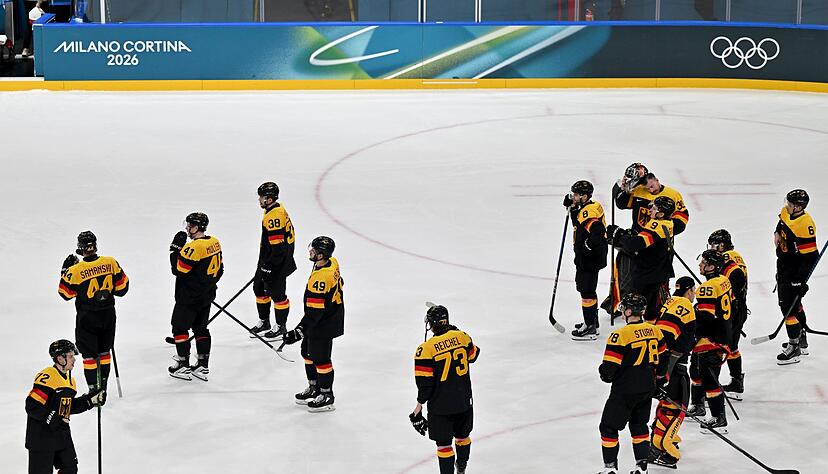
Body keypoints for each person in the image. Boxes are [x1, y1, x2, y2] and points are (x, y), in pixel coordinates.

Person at [598, 293, 665, 474]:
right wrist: (659, 381)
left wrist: (603, 373)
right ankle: (641, 467)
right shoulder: (656, 331)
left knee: (608, 427)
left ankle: (610, 469)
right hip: (647, 388)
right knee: (639, 426)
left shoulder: (620, 335)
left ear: (628, 311)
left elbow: (609, 370)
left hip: (625, 390)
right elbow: (663, 360)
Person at [410, 305, 480, 474]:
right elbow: (474, 355)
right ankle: (461, 467)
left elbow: (425, 386)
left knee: (444, 445)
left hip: (441, 407)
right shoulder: (462, 337)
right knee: (463, 437)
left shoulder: (425, 349)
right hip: (464, 401)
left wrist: (418, 408)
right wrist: (455, 333)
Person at [58, 231, 129, 396]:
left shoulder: (76, 270)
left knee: (89, 356)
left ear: (80, 248)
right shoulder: (110, 262)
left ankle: (93, 390)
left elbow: (65, 294)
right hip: (108, 316)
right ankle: (103, 387)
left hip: (87, 319)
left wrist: (65, 270)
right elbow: (122, 289)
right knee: (105, 352)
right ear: (95, 245)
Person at [282, 236, 344, 412]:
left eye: (314, 250)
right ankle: (314, 387)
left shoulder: (321, 278)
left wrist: (298, 331)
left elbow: (315, 313)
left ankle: (326, 395)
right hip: (324, 318)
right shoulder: (331, 262)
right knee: (307, 352)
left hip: (325, 322)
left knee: (321, 359)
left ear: (322, 254)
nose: (311, 252)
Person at [26, 339, 104, 474]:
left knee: (70, 468)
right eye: (70, 356)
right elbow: (32, 406)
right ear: (60, 358)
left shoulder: (70, 381)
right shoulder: (48, 376)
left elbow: (67, 408)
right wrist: (53, 418)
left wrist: (89, 401)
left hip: (60, 434)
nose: (74, 360)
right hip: (41, 437)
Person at [168, 212, 223, 381]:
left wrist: (174, 249)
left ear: (197, 227)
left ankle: (183, 365)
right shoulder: (214, 242)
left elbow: (178, 270)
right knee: (201, 328)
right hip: (206, 296)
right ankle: (202, 366)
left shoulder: (193, 248)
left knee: (179, 328)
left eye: (190, 225)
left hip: (188, 298)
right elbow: (220, 270)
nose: (187, 228)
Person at [648, 277, 696, 469]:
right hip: (673, 367)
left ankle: (659, 441)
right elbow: (666, 338)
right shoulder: (684, 304)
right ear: (690, 290)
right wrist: (663, 376)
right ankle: (658, 449)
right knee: (675, 407)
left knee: (667, 404)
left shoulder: (671, 301)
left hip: (667, 365)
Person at [686, 250, 733, 433]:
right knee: (695, 370)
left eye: (704, 262)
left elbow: (705, 319)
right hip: (721, 335)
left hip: (711, 339)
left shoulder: (707, 288)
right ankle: (698, 405)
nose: (700, 265)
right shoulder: (723, 280)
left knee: (709, 377)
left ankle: (718, 417)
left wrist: (695, 337)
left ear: (712, 266)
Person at [607, 196, 676, 321]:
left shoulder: (657, 225)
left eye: (654, 208)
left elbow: (634, 245)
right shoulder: (668, 223)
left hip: (647, 275)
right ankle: (652, 332)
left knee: (636, 308)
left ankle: (637, 333)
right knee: (651, 310)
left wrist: (619, 235)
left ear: (660, 214)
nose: (651, 210)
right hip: (658, 273)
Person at [249, 182, 297, 342]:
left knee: (277, 295)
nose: (259, 200)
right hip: (267, 260)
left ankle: (281, 326)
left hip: (277, 263)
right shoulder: (274, 209)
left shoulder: (274, 217)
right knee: (259, 288)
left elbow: (278, 249)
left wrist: (269, 268)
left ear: (269, 199)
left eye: (261, 197)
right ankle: (264, 322)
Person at [774, 189, 817, 365]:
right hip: (783, 264)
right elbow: (780, 224)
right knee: (795, 304)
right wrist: (776, 233)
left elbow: (810, 257)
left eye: (791, 204)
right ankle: (801, 337)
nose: (787, 206)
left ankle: (794, 346)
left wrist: (800, 280)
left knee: (787, 307)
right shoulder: (786, 212)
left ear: (799, 207)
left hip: (795, 269)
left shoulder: (805, 225)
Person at [563, 180, 608, 340]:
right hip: (592, 257)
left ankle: (590, 328)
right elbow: (579, 221)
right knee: (589, 289)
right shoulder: (590, 206)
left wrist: (588, 246)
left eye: (576, 195)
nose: (573, 196)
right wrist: (572, 206)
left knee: (586, 291)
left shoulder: (588, 212)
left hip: (589, 258)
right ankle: (592, 321)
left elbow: (598, 230)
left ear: (584, 196)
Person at [602, 162, 650, 315]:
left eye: (631, 179)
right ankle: (618, 300)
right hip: (636, 237)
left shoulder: (652, 193)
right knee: (622, 262)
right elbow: (621, 204)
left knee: (638, 273)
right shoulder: (637, 191)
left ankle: (629, 302)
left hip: (650, 241)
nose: (627, 182)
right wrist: (620, 189)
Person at [707, 229, 748, 398]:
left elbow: (731, 284)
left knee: (718, 346)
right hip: (738, 308)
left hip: (731, 310)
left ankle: (712, 386)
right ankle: (737, 381)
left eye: (714, 244)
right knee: (732, 346)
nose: (711, 248)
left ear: (722, 245)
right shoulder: (735, 255)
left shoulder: (727, 259)